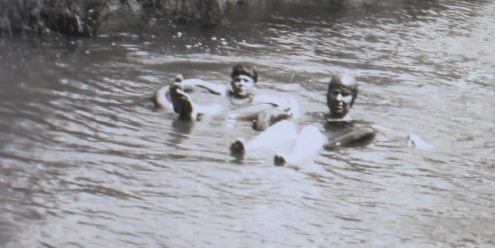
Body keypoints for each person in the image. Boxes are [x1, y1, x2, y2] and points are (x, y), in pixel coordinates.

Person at [229, 72, 379, 165]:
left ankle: (291, 160)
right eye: (335, 93)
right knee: (287, 126)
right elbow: (283, 124)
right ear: (327, 95)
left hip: (321, 149)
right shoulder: (314, 116)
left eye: (345, 95)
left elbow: (369, 132)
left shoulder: (356, 125)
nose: (339, 98)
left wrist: (332, 144)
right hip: (301, 144)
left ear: (353, 99)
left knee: (311, 131)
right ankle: (247, 149)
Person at [154, 64, 297, 126]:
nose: (241, 84)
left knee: (215, 112)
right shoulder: (225, 91)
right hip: (220, 112)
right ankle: (189, 109)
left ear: (254, 85)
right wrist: (181, 84)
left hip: (237, 117)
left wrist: (290, 110)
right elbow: (200, 82)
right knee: (214, 108)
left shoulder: (257, 97)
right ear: (231, 82)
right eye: (237, 80)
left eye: (246, 81)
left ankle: (189, 111)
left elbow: (286, 102)